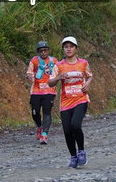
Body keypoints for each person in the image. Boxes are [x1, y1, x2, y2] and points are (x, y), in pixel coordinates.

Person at [49, 36, 92, 168]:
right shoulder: (59, 65)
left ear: (76, 48)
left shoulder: (83, 63)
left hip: (81, 99)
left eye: (71, 46)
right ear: (63, 49)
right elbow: (50, 82)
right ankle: (73, 156)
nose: (68, 49)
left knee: (75, 125)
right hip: (66, 102)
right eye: (66, 47)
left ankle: (81, 151)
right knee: (67, 131)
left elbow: (89, 76)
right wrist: (58, 77)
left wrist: (87, 84)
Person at [26, 40, 58, 145]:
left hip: (49, 91)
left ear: (48, 50)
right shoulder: (34, 61)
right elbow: (29, 72)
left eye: (45, 50)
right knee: (35, 112)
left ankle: (44, 134)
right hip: (36, 90)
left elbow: (58, 73)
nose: (43, 53)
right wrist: (32, 77)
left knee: (47, 112)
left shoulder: (54, 61)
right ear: (38, 52)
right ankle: (39, 126)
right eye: (41, 51)